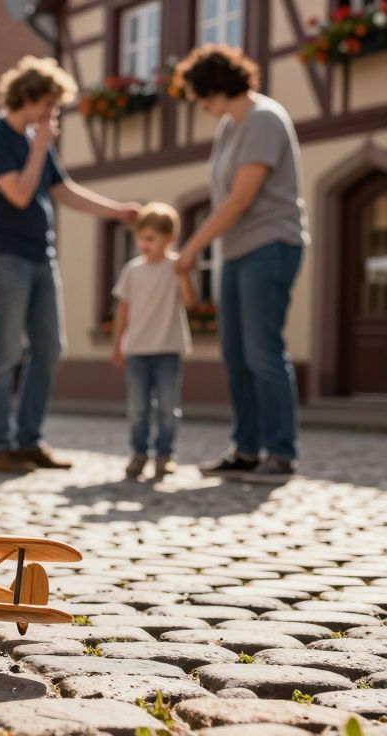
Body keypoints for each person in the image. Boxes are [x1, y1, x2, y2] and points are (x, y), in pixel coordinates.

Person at [0, 56, 141, 473]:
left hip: (40, 256)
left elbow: (63, 191)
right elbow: (20, 194)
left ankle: (29, 440)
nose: (53, 114)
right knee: (6, 351)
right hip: (5, 257)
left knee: (49, 349)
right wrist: (41, 145)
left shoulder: (34, 141)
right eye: (50, 104)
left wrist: (118, 212)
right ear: (28, 97)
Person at [172, 46, 308, 481]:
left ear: (214, 88)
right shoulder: (230, 128)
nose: (200, 106)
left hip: (270, 245)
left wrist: (192, 249)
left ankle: (281, 453)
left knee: (262, 350)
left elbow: (241, 199)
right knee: (235, 353)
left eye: (200, 96)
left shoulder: (264, 119)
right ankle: (246, 449)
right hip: (236, 251)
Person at [111, 204, 196, 480]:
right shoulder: (132, 271)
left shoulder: (175, 268)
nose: (144, 244)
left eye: (151, 238)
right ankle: (138, 453)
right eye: (141, 238)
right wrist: (116, 346)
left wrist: (183, 275)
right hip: (136, 350)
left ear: (168, 239)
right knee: (138, 407)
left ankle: (165, 454)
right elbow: (122, 311)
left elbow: (190, 302)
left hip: (168, 349)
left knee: (168, 407)